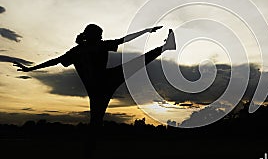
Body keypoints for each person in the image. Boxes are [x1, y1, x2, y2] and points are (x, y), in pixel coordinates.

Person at [13, 23, 176, 127]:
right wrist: (30, 69)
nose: (101, 38)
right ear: (91, 35)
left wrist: (30, 69)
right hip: (102, 85)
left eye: (101, 35)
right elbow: (123, 40)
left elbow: (54, 61)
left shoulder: (79, 50)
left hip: (101, 84)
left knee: (96, 122)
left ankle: (166, 47)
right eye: (99, 35)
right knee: (95, 122)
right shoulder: (83, 50)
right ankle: (166, 47)